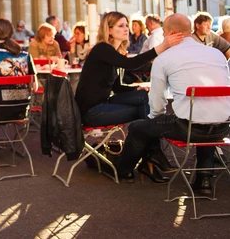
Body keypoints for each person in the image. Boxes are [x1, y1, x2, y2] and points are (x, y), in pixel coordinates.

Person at [115, 14, 230, 190]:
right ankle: (204, 179)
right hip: (223, 128)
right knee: (206, 115)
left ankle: (124, 171)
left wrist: (155, 121)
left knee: (138, 128)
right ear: (190, 30)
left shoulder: (165, 58)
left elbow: (157, 102)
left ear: (171, 33)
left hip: (188, 128)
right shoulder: (217, 54)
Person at [74, 11, 182, 127]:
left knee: (143, 96)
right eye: (120, 26)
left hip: (104, 103)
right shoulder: (102, 49)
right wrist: (162, 46)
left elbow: (117, 87)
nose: (126, 29)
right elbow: (131, 64)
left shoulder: (113, 53)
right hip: (92, 111)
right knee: (144, 110)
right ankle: (151, 142)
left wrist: (137, 88)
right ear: (109, 30)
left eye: (126, 25)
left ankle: (147, 141)